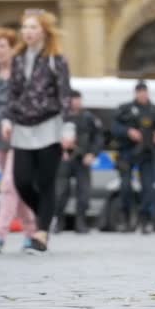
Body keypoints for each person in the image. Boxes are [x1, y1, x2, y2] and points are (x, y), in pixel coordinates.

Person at [1, 9, 71, 252]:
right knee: (21, 181)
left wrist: (68, 128)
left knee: (46, 181)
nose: (27, 32)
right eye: (25, 27)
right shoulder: (18, 58)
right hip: (22, 126)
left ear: (43, 31)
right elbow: (12, 93)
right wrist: (7, 119)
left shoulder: (56, 59)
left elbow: (65, 96)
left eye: (33, 27)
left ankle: (41, 232)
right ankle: (45, 215)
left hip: (49, 126)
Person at [0, 27, 37, 253]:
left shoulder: (22, 74)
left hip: (20, 135)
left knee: (7, 184)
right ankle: (31, 233)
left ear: (12, 49)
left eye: (2, 45)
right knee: (18, 187)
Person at [111, 81, 155, 231]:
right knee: (125, 187)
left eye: (144, 91)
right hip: (127, 152)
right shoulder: (125, 109)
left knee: (148, 189)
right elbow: (114, 127)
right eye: (139, 91)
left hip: (147, 153)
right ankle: (127, 220)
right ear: (135, 93)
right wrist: (128, 131)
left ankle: (143, 220)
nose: (142, 94)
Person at [54, 89, 103, 233]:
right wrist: (59, 150)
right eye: (73, 99)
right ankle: (59, 222)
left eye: (78, 99)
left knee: (84, 193)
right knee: (60, 192)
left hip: (83, 159)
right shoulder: (61, 117)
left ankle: (80, 222)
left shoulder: (88, 118)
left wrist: (92, 154)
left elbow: (98, 138)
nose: (76, 102)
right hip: (64, 159)